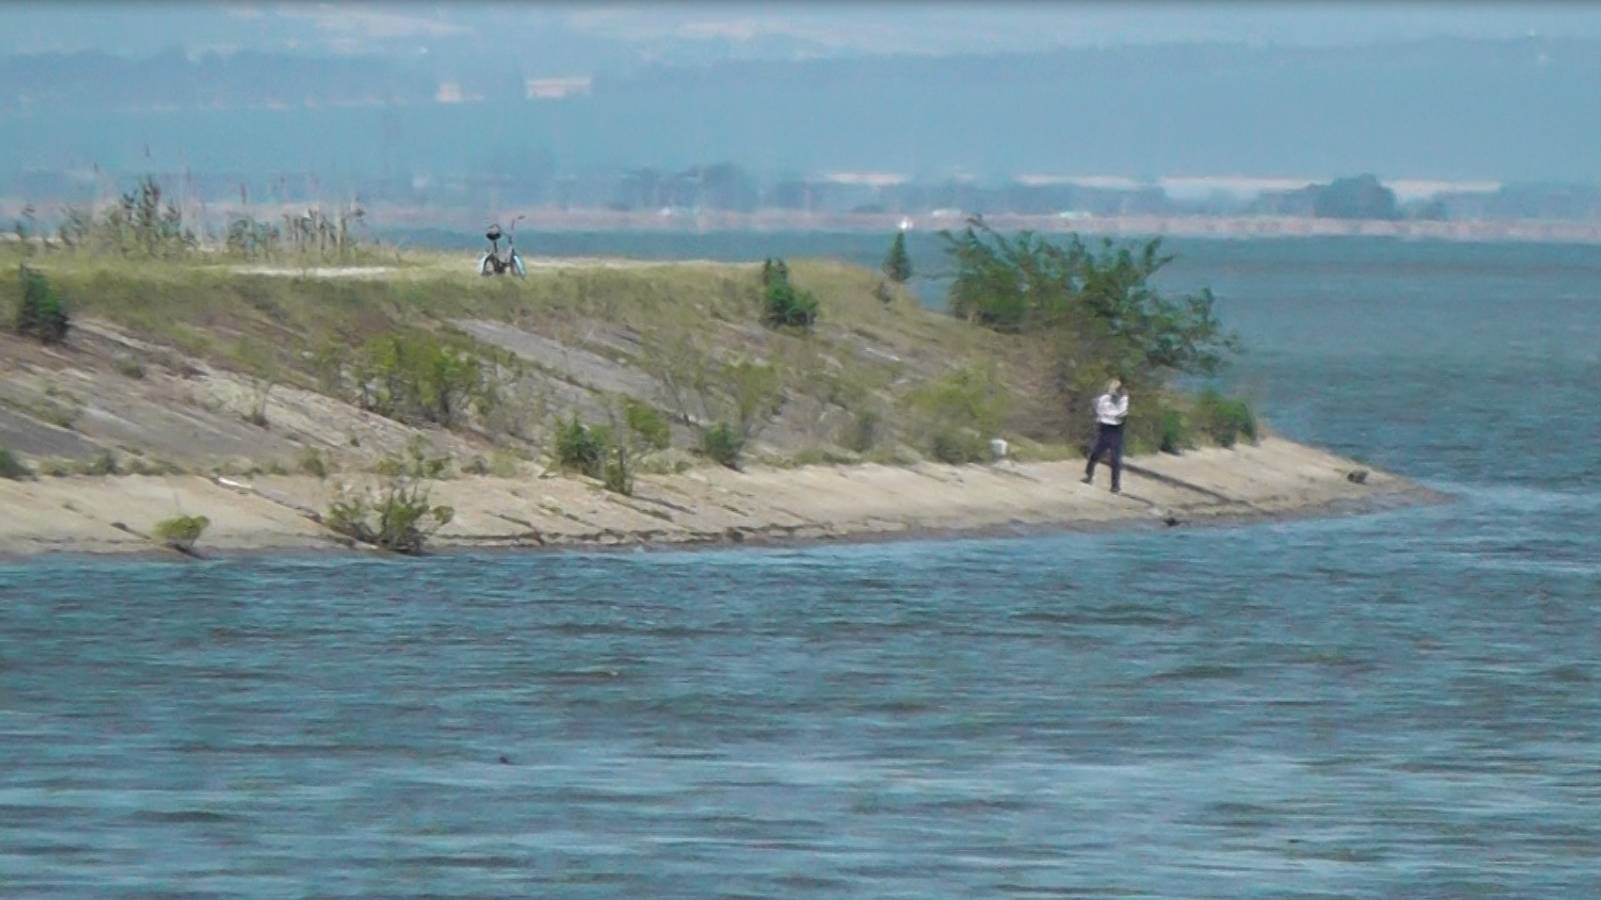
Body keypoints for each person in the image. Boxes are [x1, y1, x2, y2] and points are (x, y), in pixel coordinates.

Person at [1082, 379, 1128, 493]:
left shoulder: (1123, 399)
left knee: (1115, 459)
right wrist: (1110, 415)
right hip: (1104, 428)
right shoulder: (1104, 399)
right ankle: (1088, 475)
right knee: (1095, 454)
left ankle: (1115, 486)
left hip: (1116, 430)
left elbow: (1121, 414)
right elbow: (1099, 411)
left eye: (1117, 389)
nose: (1114, 392)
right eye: (1113, 389)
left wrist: (1107, 415)